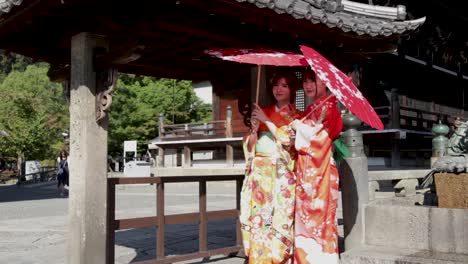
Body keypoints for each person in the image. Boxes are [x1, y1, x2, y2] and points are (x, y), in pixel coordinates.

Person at [240, 71, 300, 263]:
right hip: (260, 172)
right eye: (276, 85)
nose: (279, 89)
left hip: (280, 173)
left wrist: (267, 121)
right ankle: (260, 257)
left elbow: (288, 143)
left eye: (284, 85)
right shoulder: (263, 110)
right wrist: (255, 132)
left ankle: (279, 256)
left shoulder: (296, 115)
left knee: (280, 216)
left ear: (292, 90)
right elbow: (249, 146)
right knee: (260, 215)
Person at [289, 70, 343, 263]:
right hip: (307, 170)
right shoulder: (314, 107)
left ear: (325, 82)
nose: (308, 85)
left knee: (321, 215)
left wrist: (299, 129)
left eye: (314, 80)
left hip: (322, 171)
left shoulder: (330, 108)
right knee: (305, 215)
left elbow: (320, 140)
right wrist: (296, 132)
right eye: (305, 81)